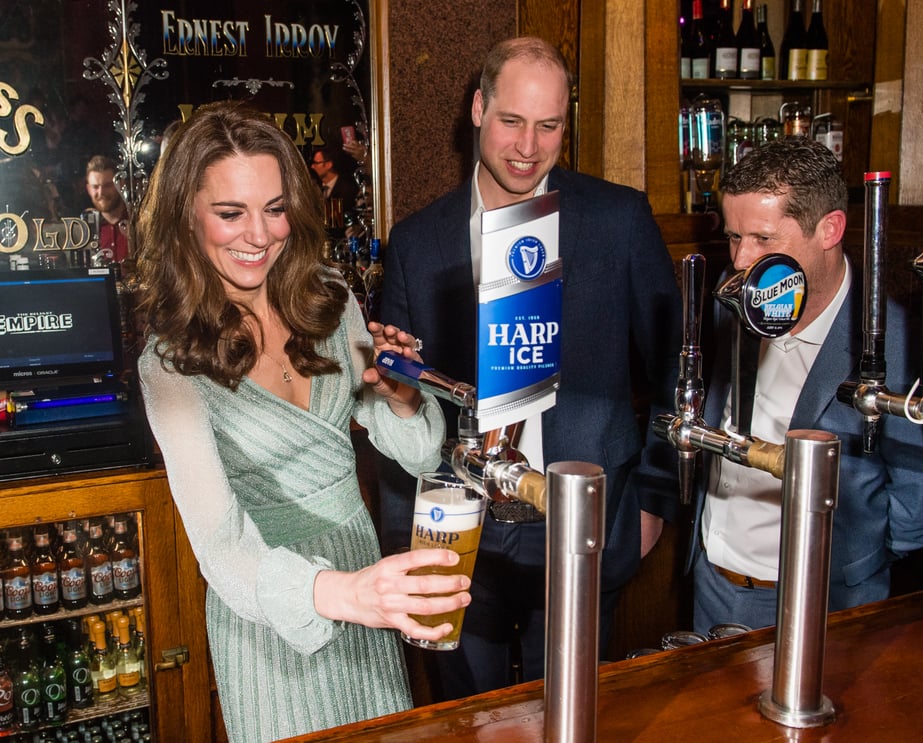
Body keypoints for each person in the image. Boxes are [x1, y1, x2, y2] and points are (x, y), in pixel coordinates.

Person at [133, 101, 471, 742]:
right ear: (187, 217)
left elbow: (420, 455)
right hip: (272, 607)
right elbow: (223, 550)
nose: (258, 234)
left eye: (275, 207)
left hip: (362, 567)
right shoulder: (170, 365)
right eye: (230, 213)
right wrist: (350, 596)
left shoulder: (330, 299)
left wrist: (400, 395)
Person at [380, 36, 683, 698]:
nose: (528, 145)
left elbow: (675, 370)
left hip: (582, 521)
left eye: (549, 125)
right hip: (466, 535)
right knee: (472, 715)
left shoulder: (618, 218)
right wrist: (408, 534)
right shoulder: (417, 241)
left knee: (570, 712)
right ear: (479, 108)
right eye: (512, 120)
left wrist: (655, 501)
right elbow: (399, 398)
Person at [688, 137, 923, 635]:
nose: (739, 261)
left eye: (762, 239)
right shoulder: (730, 310)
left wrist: (851, 563)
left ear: (829, 229)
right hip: (714, 584)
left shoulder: (911, 356)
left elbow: (922, 513)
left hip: (826, 604)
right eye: (734, 238)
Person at [84, 155, 129, 263]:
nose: (101, 193)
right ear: (89, 189)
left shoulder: (139, 223)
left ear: (121, 184)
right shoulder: (84, 230)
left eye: (108, 185)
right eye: (95, 187)